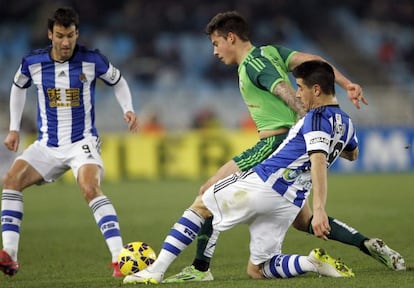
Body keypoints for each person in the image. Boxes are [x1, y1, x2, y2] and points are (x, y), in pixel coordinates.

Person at [163, 11, 405, 283]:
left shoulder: (252, 63)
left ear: (230, 37)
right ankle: (366, 243)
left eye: (216, 44)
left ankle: (199, 268)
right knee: (304, 221)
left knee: (207, 192)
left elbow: (282, 89)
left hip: (273, 145)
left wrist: (308, 117)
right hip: (292, 150)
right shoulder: (271, 52)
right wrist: (346, 83)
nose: (215, 52)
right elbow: (317, 63)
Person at [123, 60, 359, 284]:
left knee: (202, 204)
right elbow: (352, 154)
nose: (297, 94)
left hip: (265, 183)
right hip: (290, 201)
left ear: (316, 90)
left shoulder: (315, 118)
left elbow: (317, 160)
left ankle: (155, 271)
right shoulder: (346, 123)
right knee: (258, 269)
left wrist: (319, 209)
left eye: (300, 88)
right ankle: (310, 263)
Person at [0, 7, 138, 277]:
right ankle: (10, 256)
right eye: (61, 36)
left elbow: (118, 81)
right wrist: (13, 128)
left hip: (81, 142)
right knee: (11, 181)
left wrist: (128, 109)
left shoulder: (92, 60)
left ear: (77, 34)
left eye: (71, 35)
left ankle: (119, 258)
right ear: (50, 34)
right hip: (47, 145)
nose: (66, 42)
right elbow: (18, 88)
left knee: (89, 187)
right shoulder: (33, 62)